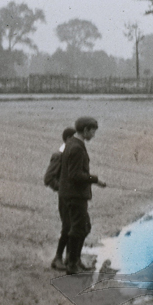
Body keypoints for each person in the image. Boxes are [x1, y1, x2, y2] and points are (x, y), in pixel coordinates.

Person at [57, 116, 106, 272]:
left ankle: (74, 260)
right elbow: (75, 175)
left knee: (83, 227)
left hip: (69, 194)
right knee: (79, 228)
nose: (93, 135)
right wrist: (95, 180)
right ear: (85, 130)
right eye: (92, 132)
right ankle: (72, 264)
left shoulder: (71, 143)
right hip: (75, 195)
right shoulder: (77, 147)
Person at [48, 127, 76, 270]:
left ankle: (69, 258)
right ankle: (58, 258)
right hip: (65, 197)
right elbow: (48, 178)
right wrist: (62, 189)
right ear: (67, 139)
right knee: (67, 227)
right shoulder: (59, 155)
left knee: (74, 226)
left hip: (73, 196)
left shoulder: (71, 154)